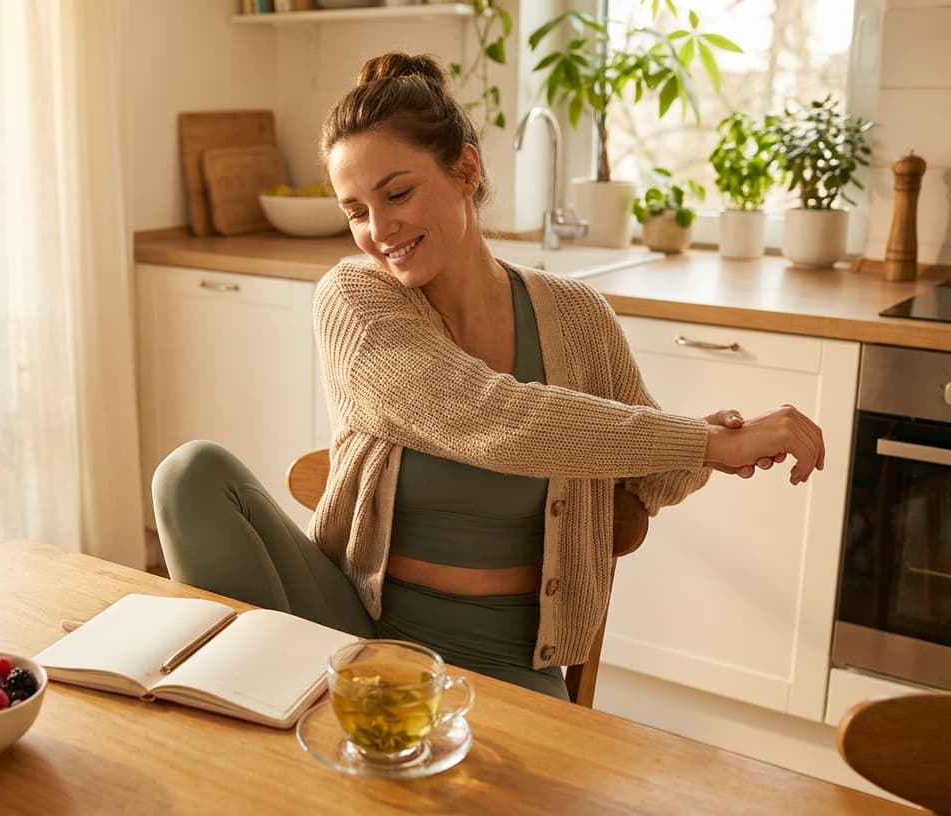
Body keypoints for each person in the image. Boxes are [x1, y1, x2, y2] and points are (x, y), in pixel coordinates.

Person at [152, 52, 825, 701]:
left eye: (398, 193)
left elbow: (651, 477)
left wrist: (721, 436)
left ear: (465, 170)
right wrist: (700, 442)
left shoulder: (577, 317)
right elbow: (489, 417)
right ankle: (247, 705)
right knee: (190, 473)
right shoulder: (357, 298)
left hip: (505, 661)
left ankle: (268, 712)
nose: (380, 229)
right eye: (356, 211)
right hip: (354, 629)